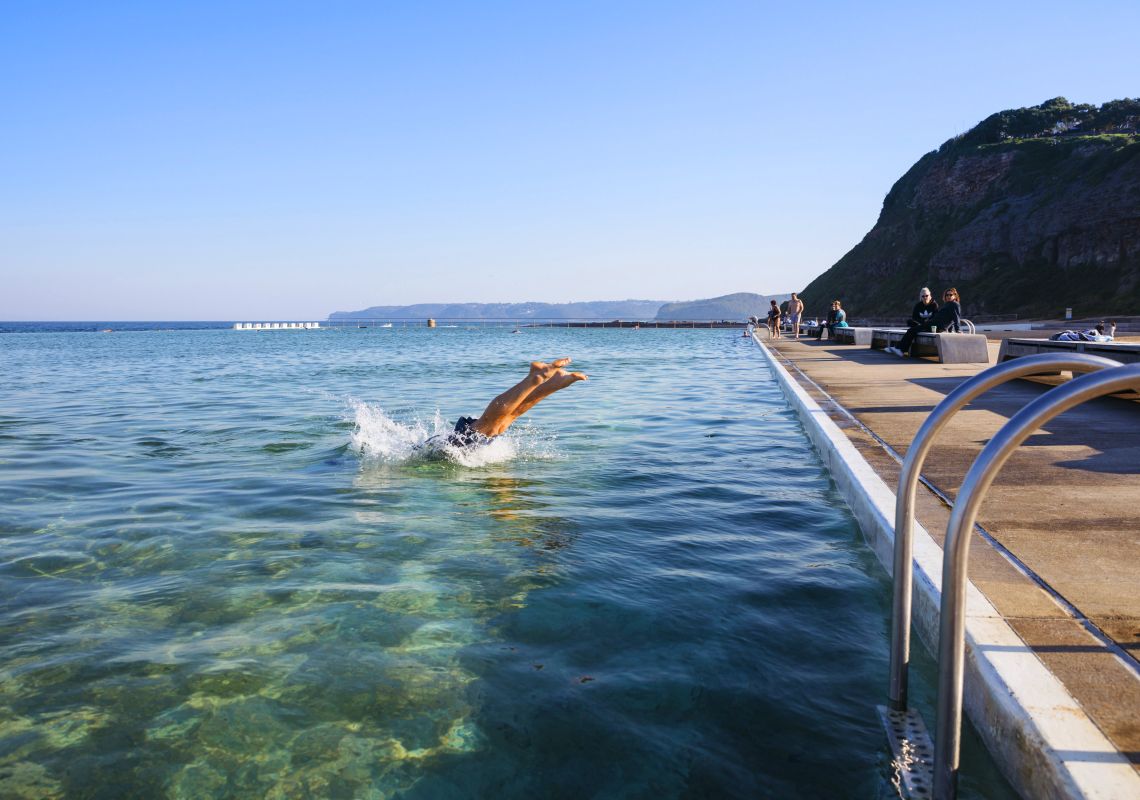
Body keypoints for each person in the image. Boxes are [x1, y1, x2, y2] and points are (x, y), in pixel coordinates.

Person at [447, 358, 588, 447]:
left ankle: (537, 377)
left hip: (451, 446)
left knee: (487, 425)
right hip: (457, 448)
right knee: (504, 420)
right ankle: (554, 383)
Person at [886, 287, 939, 356]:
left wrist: (925, 322)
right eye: (923, 296)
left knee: (911, 331)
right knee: (910, 326)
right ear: (921, 297)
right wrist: (920, 322)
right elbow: (914, 317)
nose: (925, 297)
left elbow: (935, 318)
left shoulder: (934, 305)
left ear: (930, 296)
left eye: (926, 295)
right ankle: (898, 348)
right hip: (921, 325)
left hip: (930, 326)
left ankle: (900, 349)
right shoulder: (918, 306)